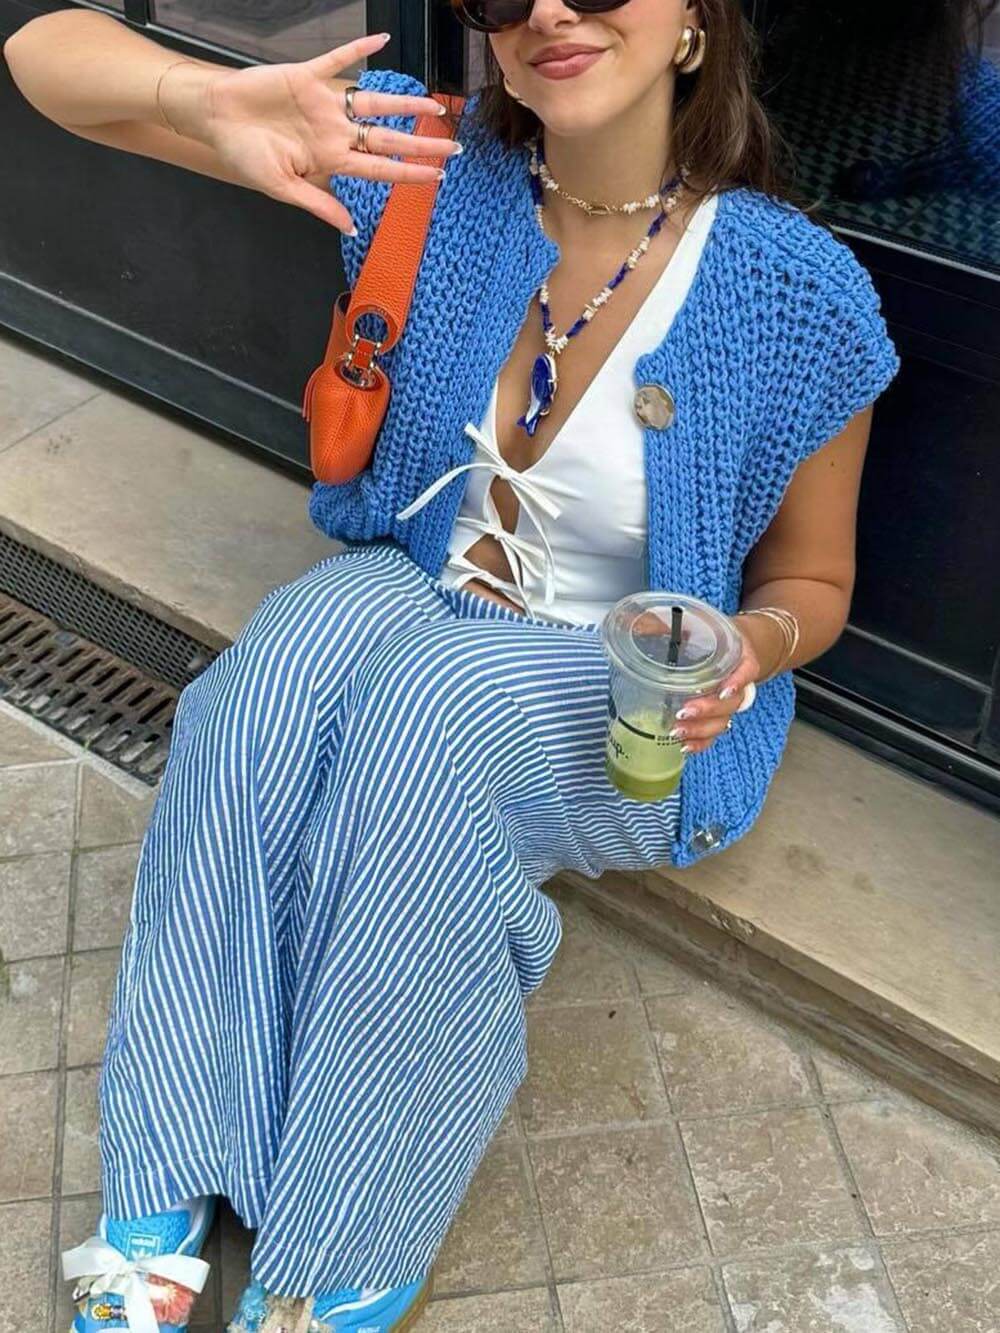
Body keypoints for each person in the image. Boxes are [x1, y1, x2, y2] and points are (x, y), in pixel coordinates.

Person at [3, 1, 901, 1329]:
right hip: (423, 583)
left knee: (429, 718)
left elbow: (813, 583)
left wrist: (747, 648)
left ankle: (344, 1248)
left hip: (619, 681)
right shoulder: (427, 170)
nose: (550, 11)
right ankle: (167, 1172)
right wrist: (212, 101)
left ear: (696, 25)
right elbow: (40, 58)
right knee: (257, 692)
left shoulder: (794, 290)